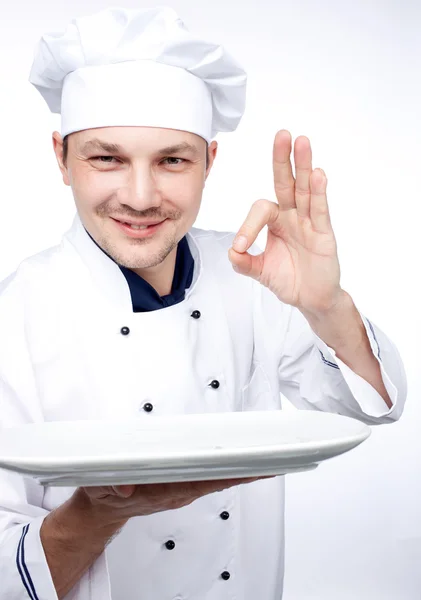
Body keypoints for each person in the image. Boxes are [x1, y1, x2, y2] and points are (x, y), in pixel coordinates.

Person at [0, 6, 407, 600]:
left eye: (172, 160)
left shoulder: (252, 276)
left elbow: (373, 406)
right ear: (61, 158)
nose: (140, 197)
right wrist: (102, 511)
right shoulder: (15, 316)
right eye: (106, 158)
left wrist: (326, 304)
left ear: (210, 162)